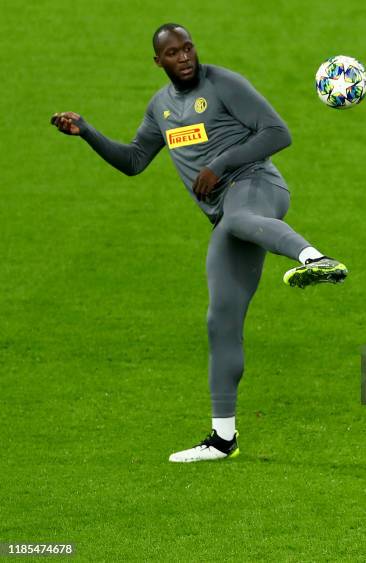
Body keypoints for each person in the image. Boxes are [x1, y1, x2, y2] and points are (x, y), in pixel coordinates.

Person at [51, 23, 348, 463]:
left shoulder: (224, 83)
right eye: (173, 52)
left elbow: (277, 132)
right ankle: (223, 439)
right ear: (158, 62)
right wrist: (87, 132)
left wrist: (220, 163)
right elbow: (134, 161)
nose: (184, 56)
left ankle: (316, 258)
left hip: (256, 187)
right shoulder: (161, 108)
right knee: (220, 321)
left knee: (243, 216)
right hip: (225, 219)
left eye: (188, 47)